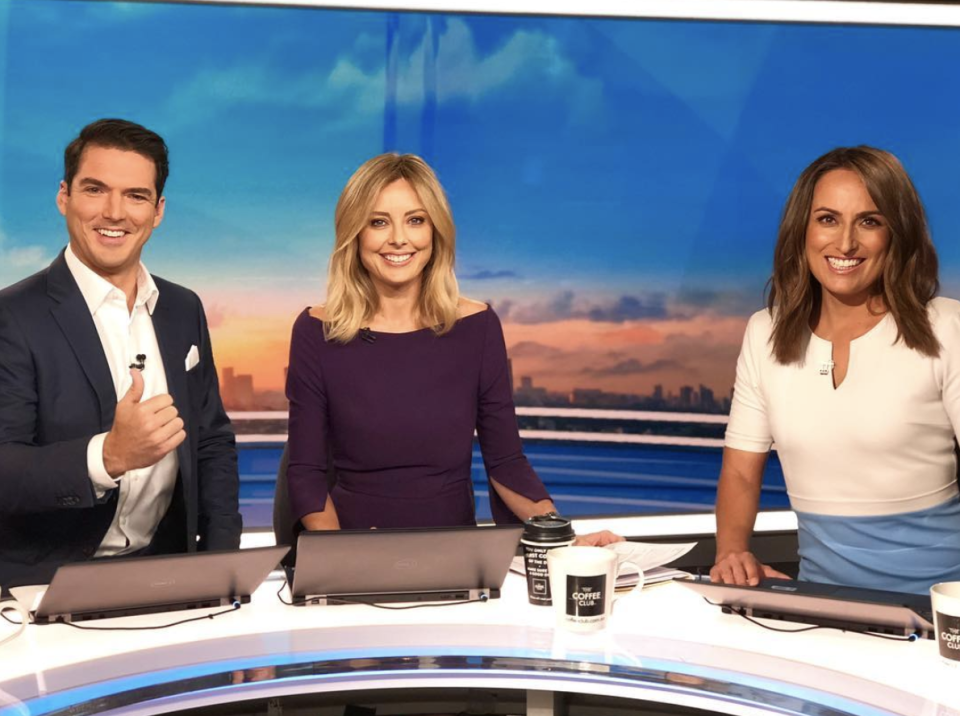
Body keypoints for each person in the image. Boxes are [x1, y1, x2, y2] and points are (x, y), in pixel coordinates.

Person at [285, 153, 618, 543]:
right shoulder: (316, 331)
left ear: (436, 230)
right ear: (354, 234)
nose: (398, 239)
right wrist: (339, 555)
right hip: (353, 554)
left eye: (415, 220)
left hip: (457, 555)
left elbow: (506, 462)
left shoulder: (477, 327)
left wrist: (562, 537)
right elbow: (305, 472)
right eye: (378, 222)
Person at [0, 119, 242, 588]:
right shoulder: (12, 317)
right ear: (64, 197)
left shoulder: (183, 308)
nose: (115, 212)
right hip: (42, 586)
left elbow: (211, 441)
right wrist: (107, 456)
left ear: (158, 211)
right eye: (95, 190)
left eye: (136, 196)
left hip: (168, 577)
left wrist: (223, 571)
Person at [712, 146, 960, 594]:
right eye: (827, 219)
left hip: (942, 611)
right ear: (801, 230)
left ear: (897, 232)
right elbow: (741, 471)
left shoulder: (947, 327)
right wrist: (732, 554)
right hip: (823, 609)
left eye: (869, 221)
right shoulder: (765, 332)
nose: (845, 243)